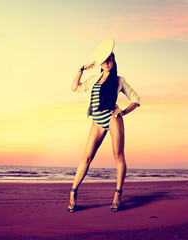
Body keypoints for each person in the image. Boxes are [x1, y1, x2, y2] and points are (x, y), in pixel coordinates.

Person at [68, 38, 140, 213]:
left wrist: (123, 111)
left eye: (110, 59)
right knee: (86, 157)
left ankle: (117, 194)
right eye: (104, 60)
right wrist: (81, 69)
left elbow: (136, 100)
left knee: (117, 155)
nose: (107, 62)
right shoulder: (93, 79)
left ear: (114, 61)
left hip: (112, 118)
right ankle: (73, 192)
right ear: (100, 63)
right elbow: (74, 88)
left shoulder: (119, 80)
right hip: (96, 121)